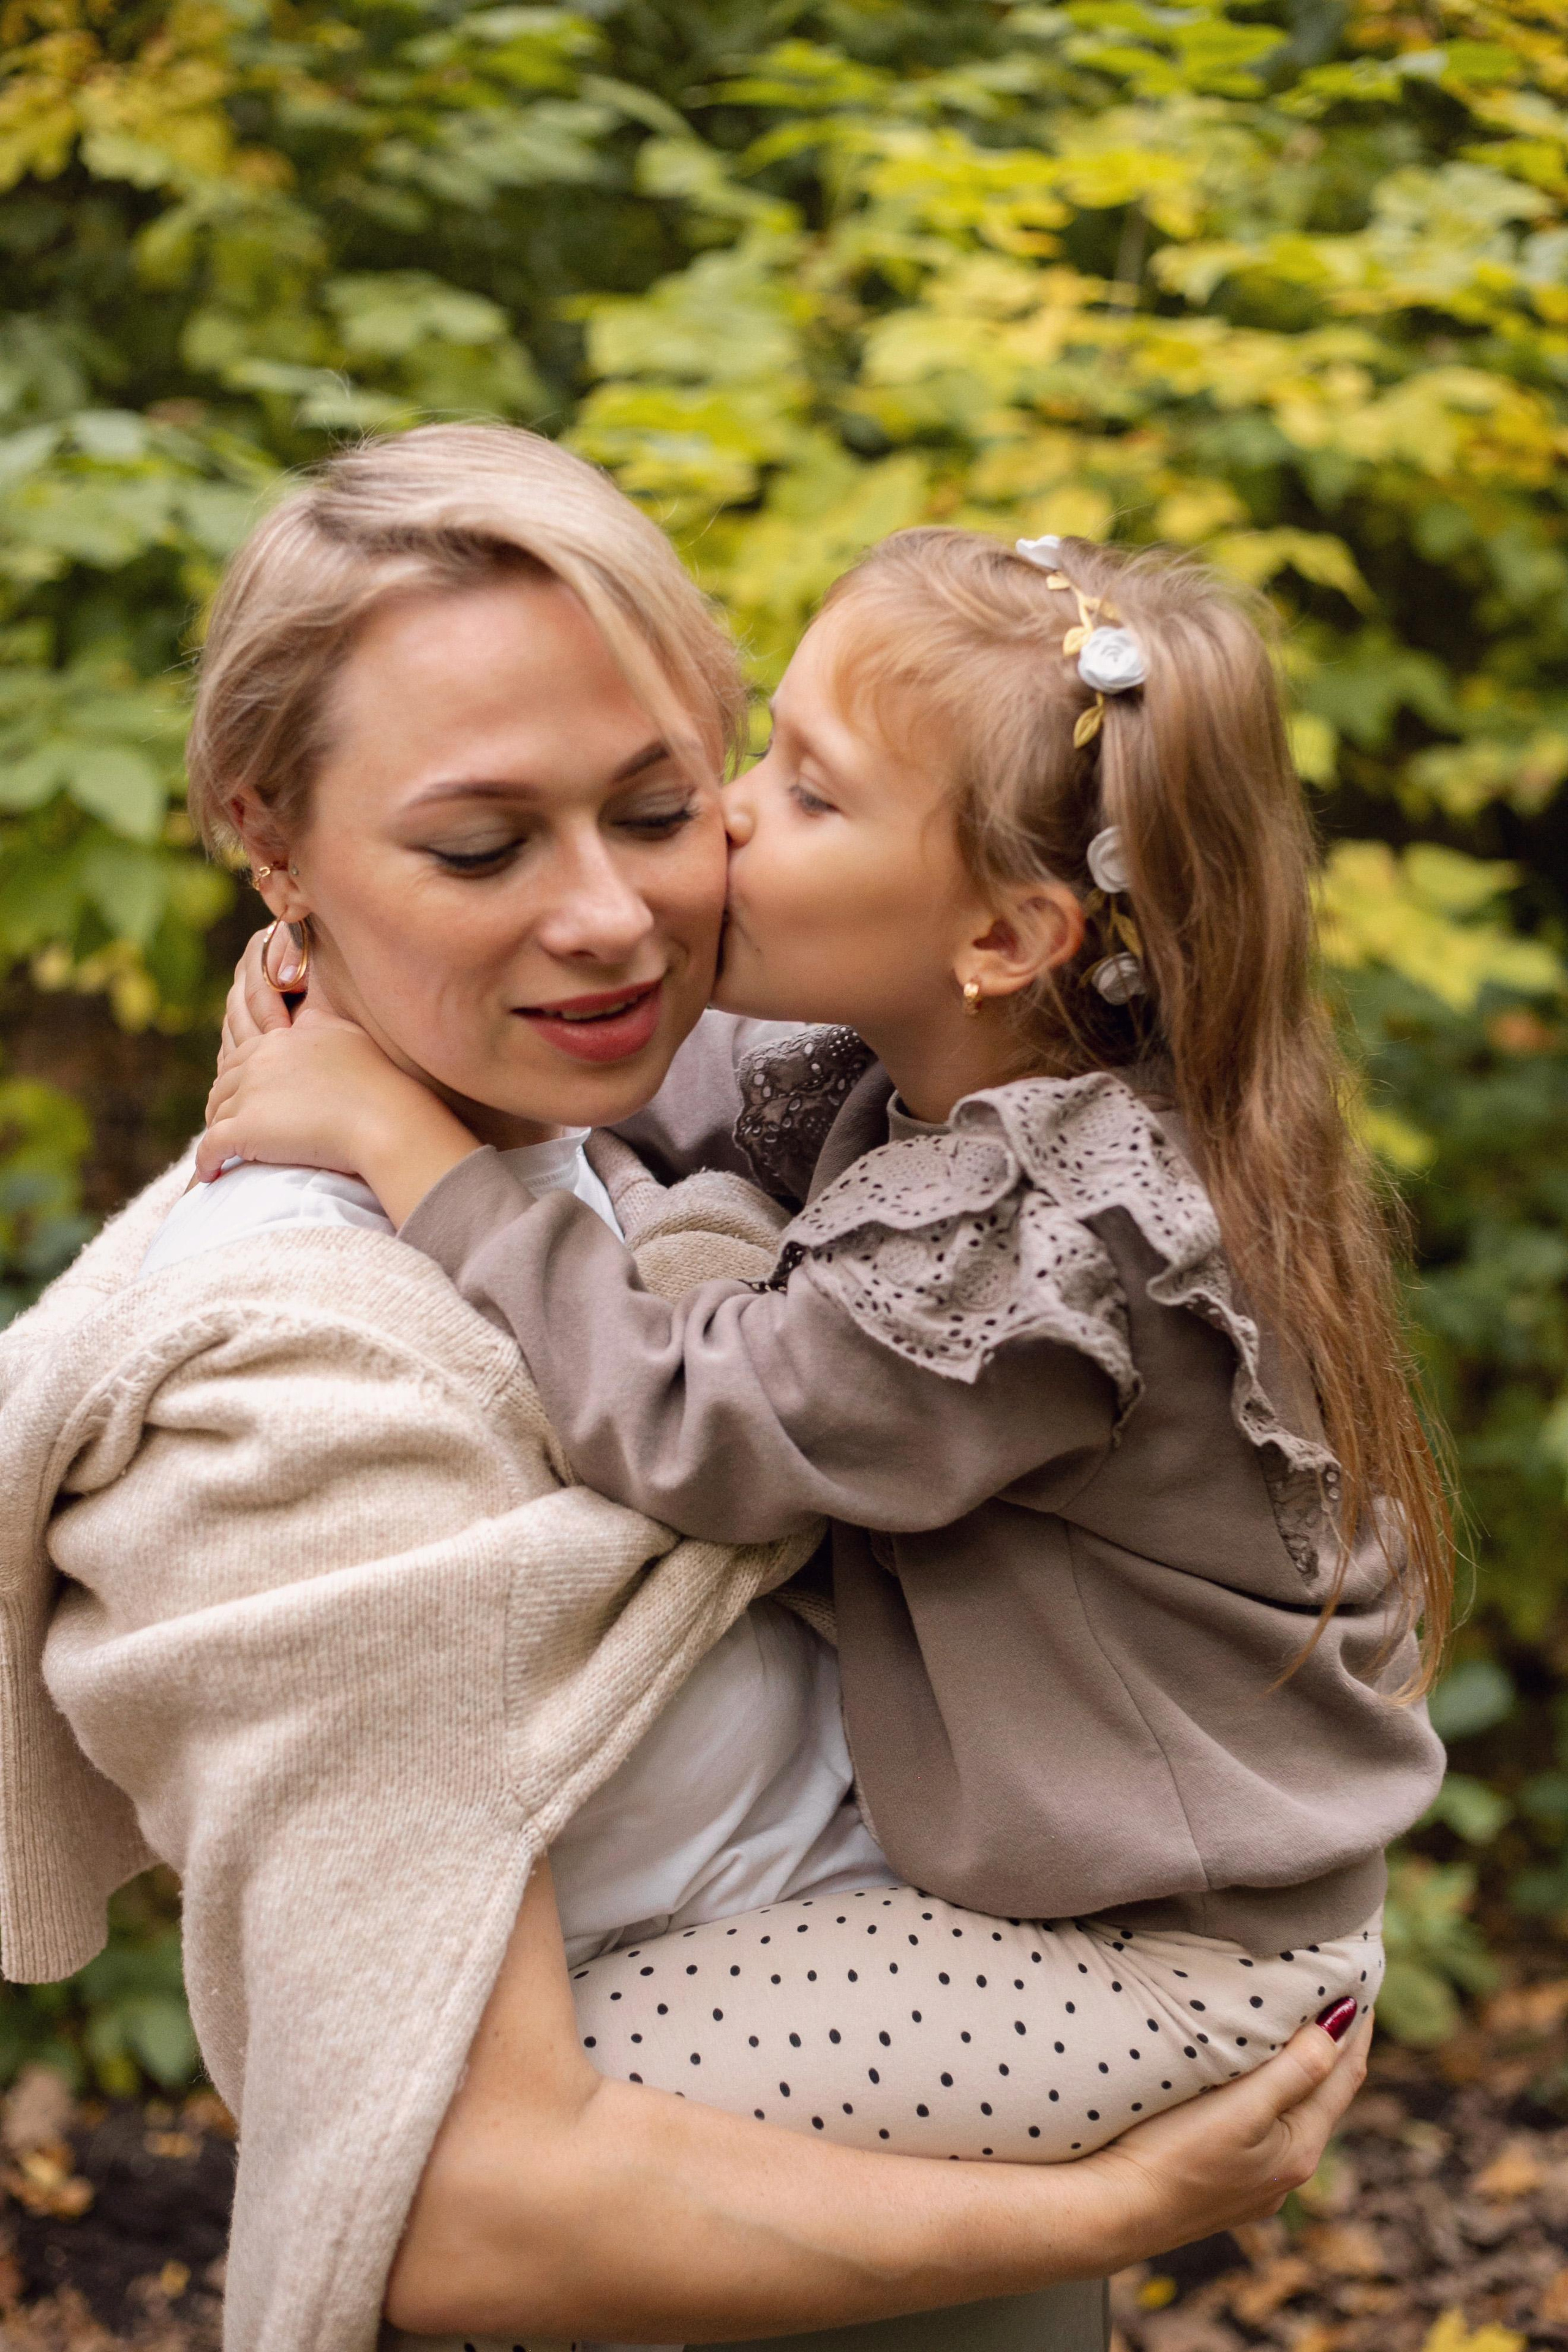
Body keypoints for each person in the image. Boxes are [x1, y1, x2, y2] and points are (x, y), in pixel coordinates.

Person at [0, 426, 1371, 2352]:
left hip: (1110, 1997)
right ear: (264, 835)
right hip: (949, 2126)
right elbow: (448, 2194)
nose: (629, 914)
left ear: (1004, 931)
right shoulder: (279, 1391)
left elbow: (704, 1382)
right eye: (481, 845)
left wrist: (403, 1112)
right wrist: (1118, 2206)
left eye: (670, 806)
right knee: (470, 2100)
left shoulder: (981, 1201)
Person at [205, 517, 1451, 2174]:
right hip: (1077, 1883)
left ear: (1006, 937)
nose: (724, 812)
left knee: (474, 2109)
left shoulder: (1050, 1245)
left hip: (1174, 1958)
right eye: (759, 750)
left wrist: (406, 1152)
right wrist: (358, 977)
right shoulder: (928, 1061)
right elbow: (632, 1073)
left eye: (807, 790)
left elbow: (690, 1426)